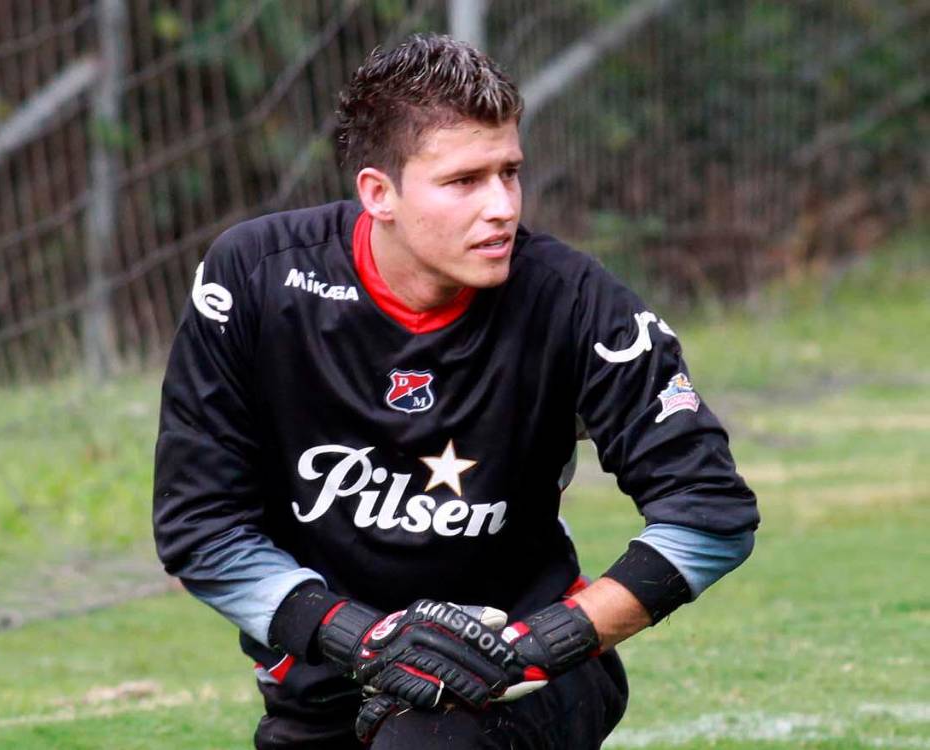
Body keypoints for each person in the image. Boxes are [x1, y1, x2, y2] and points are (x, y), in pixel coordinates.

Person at [151, 33, 759, 749]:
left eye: (510, 172)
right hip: (327, 682)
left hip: (525, 680)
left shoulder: (574, 301)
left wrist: (540, 644)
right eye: (464, 182)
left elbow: (711, 513)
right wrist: (363, 640)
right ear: (379, 193)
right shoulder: (254, 278)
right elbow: (201, 529)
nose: (502, 206)